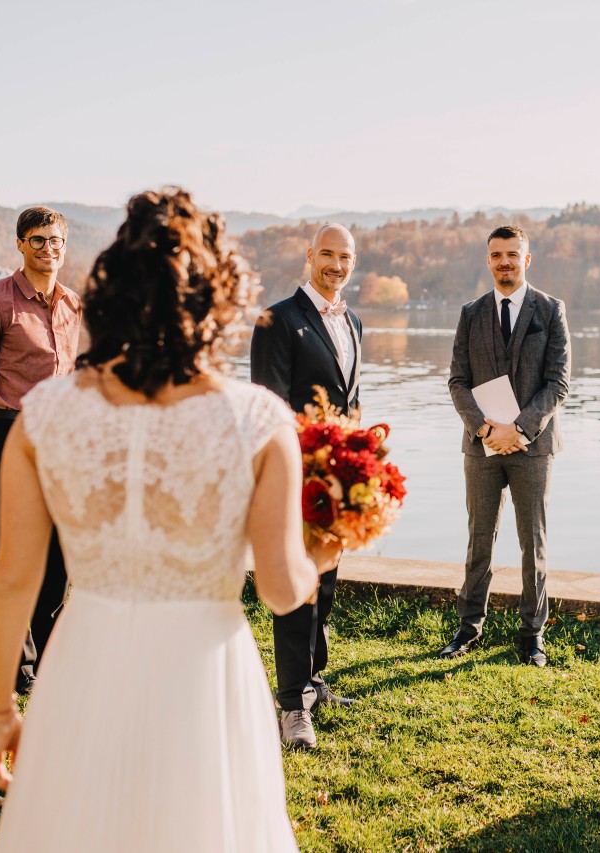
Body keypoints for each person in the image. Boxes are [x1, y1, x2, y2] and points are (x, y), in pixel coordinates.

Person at [0, 188, 321, 851]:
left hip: (85, 657)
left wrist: (2, 710)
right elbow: (283, 590)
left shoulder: (45, 415)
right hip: (204, 672)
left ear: (109, 292)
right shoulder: (258, 420)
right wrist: (327, 548)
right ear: (216, 300)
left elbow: (13, 578)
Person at [0, 206, 80, 694]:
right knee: (13, 551)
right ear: (20, 245)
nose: (48, 248)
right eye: (38, 240)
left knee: (59, 554)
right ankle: (14, 663)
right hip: (13, 432)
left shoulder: (72, 304)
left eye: (56, 240)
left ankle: (49, 656)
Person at [250, 223, 362, 749]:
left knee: (326, 583)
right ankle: (292, 705)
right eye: (327, 255)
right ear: (308, 256)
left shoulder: (354, 321)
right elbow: (268, 404)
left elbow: (348, 400)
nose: (336, 265)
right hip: (295, 474)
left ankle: (315, 681)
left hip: (341, 477)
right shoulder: (278, 319)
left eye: (345, 257)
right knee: (296, 588)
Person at [440, 224, 570, 666]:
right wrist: (483, 428)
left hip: (533, 447)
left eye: (513, 254)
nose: (505, 262)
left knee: (533, 543)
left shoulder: (551, 310)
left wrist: (520, 428)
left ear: (527, 259)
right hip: (481, 448)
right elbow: (458, 381)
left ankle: (532, 634)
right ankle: (468, 627)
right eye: (497, 255)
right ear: (488, 260)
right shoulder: (470, 313)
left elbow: (558, 382)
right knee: (479, 540)